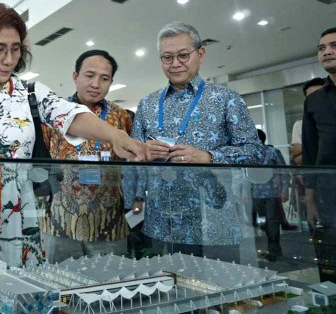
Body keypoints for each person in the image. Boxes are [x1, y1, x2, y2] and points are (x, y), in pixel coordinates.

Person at [0, 3, 145, 279]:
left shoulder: (30, 93)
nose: (9, 59)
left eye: (15, 49)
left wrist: (115, 135)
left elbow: (71, 115)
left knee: (13, 291)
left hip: (15, 218)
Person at [130, 21, 264, 260]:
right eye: (167, 58)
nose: (175, 64)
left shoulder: (226, 98)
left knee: (221, 291)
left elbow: (255, 151)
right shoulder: (147, 104)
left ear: (200, 54)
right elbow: (132, 156)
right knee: (170, 292)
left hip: (213, 220)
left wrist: (209, 157)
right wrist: (143, 152)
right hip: (163, 223)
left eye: (183, 55)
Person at [40, 50, 131, 263]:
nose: (96, 83)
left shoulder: (122, 118)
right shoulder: (54, 116)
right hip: (59, 222)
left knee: (110, 288)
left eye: (104, 78)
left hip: (108, 223)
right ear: (75, 76)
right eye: (89, 75)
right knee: (59, 287)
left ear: (111, 82)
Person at [302, 26, 336, 282]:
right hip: (328, 194)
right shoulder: (314, 101)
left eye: (334, 46)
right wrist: (310, 199)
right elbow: (311, 152)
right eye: (322, 48)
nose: (327, 52)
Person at [251, 129, 289, 261]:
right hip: (256, 195)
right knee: (260, 222)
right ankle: (268, 246)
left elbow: (283, 171)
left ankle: (274, 250)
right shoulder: (250, 154)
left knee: (272, 222)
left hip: (272, 193)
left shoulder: (273, 152)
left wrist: (284, 190)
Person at [290, 78, 326, 165]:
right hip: (315, 174)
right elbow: (297, 157)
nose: (316, 100)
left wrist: (305, 148)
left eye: (320, 95)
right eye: (311, 97)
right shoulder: (300, 124)